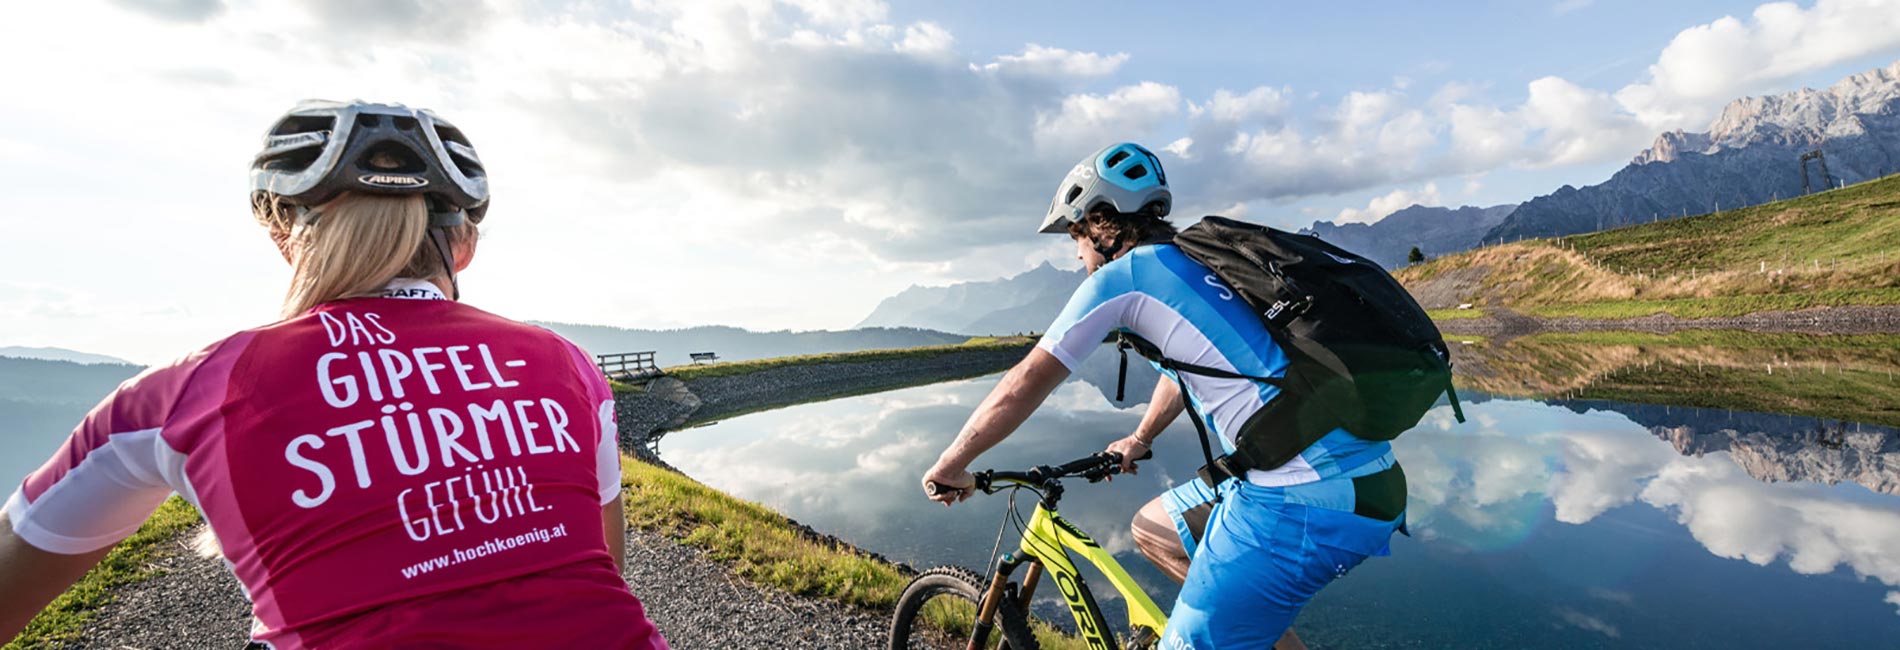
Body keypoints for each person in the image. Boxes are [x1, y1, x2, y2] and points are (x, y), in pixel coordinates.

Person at [0, 100, 669, 649]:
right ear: (463, 244)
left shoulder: (187, 392)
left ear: (283, 236)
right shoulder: (567, 365)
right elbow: (601, 571)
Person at [921, 142, 1406, 649]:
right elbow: (1185, 370)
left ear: (1102, 222)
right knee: (1156, 528)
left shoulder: (1120, 278)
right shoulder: (1192, 265)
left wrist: (951, 463)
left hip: (1300, 495)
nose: (1077, 253)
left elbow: (1026, 381)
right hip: (1367, 478)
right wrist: (1140, 435)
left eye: (1077, 237)